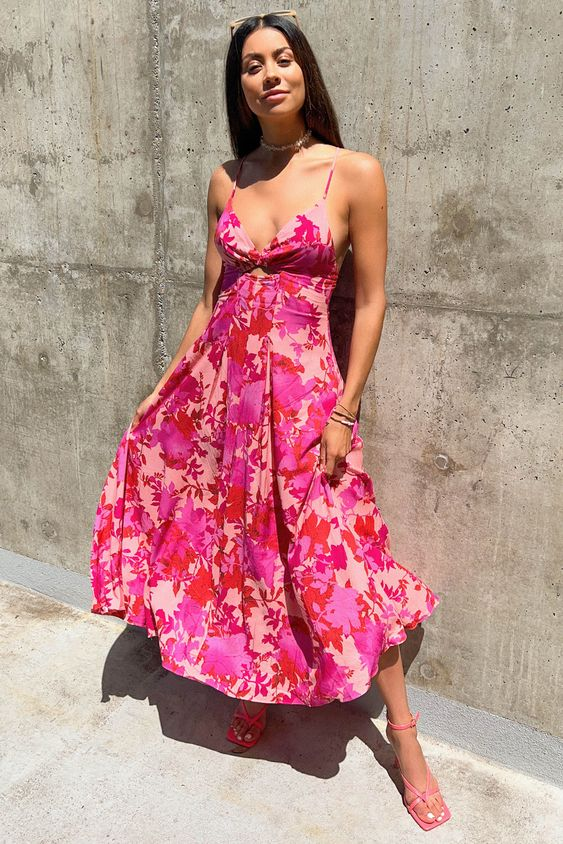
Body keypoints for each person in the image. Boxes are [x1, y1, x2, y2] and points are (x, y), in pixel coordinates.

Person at [90, 10, 450, 831]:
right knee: (243, 561)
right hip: (221, 406)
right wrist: (163, 388)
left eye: (282, 58)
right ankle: (251, 685)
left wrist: (344, 410)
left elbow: (371, 301)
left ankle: (405, 738)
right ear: (240, 86)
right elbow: (207, 302)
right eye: (252, 65)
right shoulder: (227, 178)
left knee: (342, 562)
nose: (268, 74)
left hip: (307, 403)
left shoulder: (353, 172)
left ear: (304, 71)